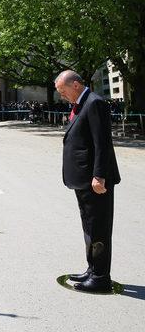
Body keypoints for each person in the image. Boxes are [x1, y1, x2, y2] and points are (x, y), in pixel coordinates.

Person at [55, 70, 121, 293]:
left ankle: (101, 278)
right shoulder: (81, 104)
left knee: (99, 228)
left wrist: (99, 175)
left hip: (95, 180)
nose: (62, 96)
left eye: (63, 91)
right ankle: (93, 269)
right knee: (90, 227)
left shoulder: (94, 103)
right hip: (83, 180)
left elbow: (102, 143)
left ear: (75, 85)